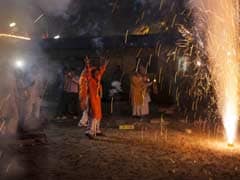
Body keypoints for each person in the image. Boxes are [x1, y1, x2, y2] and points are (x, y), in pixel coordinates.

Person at [85, 57, 109, 139]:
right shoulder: (90, 80)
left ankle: (97, 130)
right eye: (96, 73)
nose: (98, 74)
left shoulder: (98, 78)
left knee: (98, 115)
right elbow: (88, 72)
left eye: (98, 73)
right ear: (93, 74)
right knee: (94, 115)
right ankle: (90, 132)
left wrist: (105, 64)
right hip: (92, 99)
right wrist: (87, 64)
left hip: (97, 99)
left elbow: (102, 71)